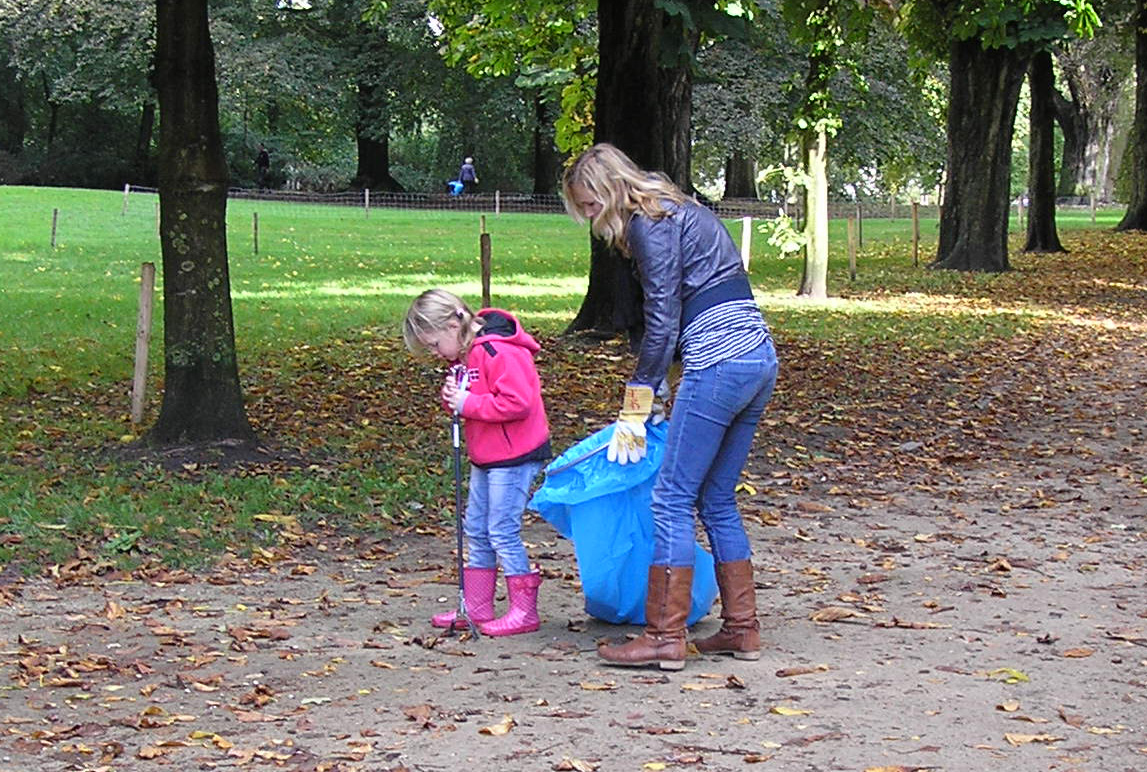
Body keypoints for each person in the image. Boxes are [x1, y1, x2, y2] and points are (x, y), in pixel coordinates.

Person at [561, 143, 779, 670]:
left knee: (671, 498)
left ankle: (664, 635)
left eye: (590, 206)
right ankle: (742, 629)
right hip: (758, 358)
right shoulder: (684, 210)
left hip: (720, 362)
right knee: (717, 498)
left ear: (609, 191)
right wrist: (657, 392)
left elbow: (664, 319)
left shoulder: (648, 222)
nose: (592, 220)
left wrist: (635, 406)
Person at [403, 289, 552, 637]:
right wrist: (454, 400)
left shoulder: (497, 350)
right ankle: (477, 604)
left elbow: (518, 403)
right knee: (476, 528)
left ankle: (524, 609)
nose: (436, 353)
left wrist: (468, 403)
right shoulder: (466, 357)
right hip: (485, 454)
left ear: (454, 324)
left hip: (514, 454)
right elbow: (472, 399)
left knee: (501, 528)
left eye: (436, 345)